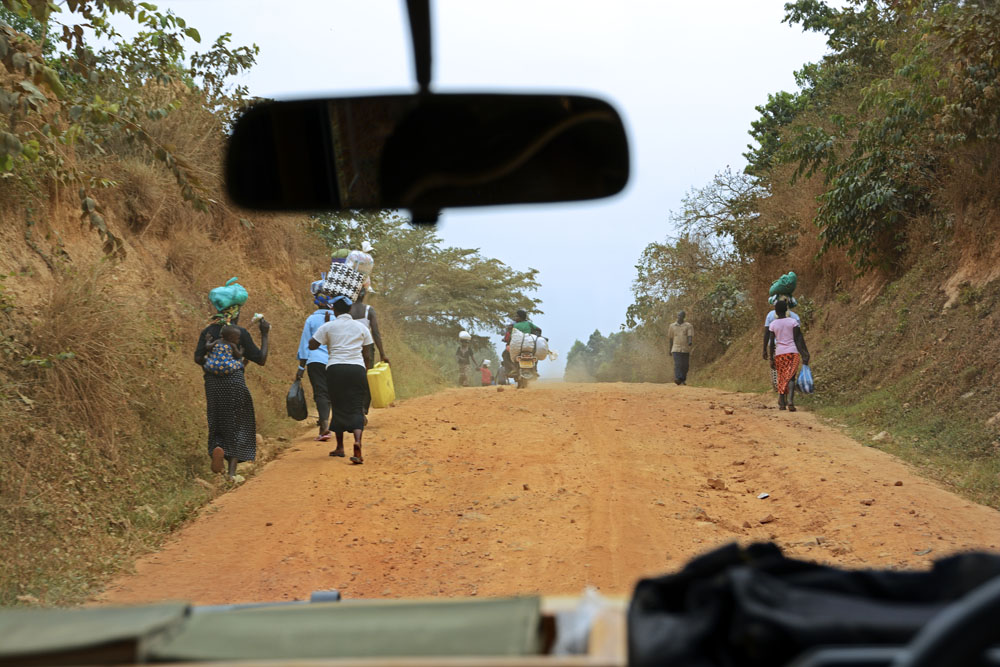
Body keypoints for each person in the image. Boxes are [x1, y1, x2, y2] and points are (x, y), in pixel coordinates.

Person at [194, 299, 270, 481]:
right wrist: (265, 334)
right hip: (234, 382)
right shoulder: (239, 333)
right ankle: (231, 473)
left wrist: (214, 366)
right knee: (238, 422)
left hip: (212, 383)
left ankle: (217, 448)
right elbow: (261, 359)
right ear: (235, 312)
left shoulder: (208, 332)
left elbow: (198, 358)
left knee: (216, 420)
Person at [308, 295, 374, 464]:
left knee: (338, 406)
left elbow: (312, 345)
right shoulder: (361, 327)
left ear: (334, 310)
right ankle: (357, 442)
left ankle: (340, 447)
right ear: (350, 309)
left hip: (335, 369)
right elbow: (367, 354)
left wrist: (324, 327)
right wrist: (364, 371)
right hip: (357, 369)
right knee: (356, 405)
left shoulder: (328, 326)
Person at [295, 293, 337, 441]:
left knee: (320, 393)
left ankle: (324, 425)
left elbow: (305, 344)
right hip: (334, 360)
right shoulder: (337, 319)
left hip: (315, 361)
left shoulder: (311, 320)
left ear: (317, 303)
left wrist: (301, 368)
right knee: (334, 392)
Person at [767, 300, 810, 411]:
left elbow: (771, 344)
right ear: (786, 310)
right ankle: (790, 401)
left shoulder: (773, 324)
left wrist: (771, 358)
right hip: (793, 352)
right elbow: (798, 339)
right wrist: (805, 353)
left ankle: (782, 403)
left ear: (776, 311)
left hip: (780, 354)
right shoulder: (793, 322)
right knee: (791, 377)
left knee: (781, 377)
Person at [762, 295, 801, 391]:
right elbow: (798, 336)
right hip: (792, 349)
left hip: (777, 348)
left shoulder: (771, 315)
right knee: (791, 372)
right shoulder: (795, 317)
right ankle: (790, 388)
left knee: (778, 371)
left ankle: (779, 388)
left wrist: (764, 349)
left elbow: (767, 333)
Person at [667, 310, 694, 385]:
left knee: (685, 365)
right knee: (678, 364)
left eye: (681, 316)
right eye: (678, 315)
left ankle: (683, 379)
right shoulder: (672, 326)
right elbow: (671, 339)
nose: (679, 317)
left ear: (684, 317)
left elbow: (690, 335)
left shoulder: (688, 326)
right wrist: (670, 349)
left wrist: (690, 341)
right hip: (676, 348)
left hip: (685, 348)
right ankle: (678, 378)